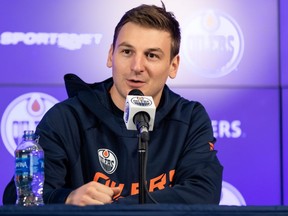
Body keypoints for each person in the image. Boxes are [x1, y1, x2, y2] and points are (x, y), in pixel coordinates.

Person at [3, 3, 223, 205]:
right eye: (127, 52)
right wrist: (67, 198)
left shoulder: (189, 118)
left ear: (173, 65)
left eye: (152, 55)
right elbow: (18, 197)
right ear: (111, 55)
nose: (137, 66)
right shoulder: (67, 118)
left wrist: (114, 208)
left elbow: (204, 192)